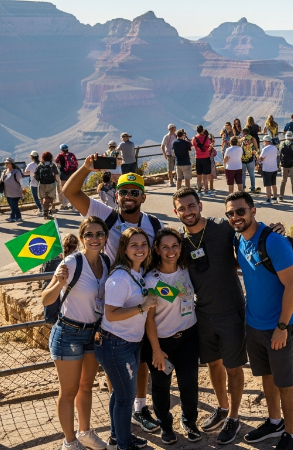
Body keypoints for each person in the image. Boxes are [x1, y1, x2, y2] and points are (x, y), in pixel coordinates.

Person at [64, 166, 164, 432]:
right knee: (116, 359)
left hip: (142, 296)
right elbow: (69, 192)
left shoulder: (154, 224)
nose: (128, 196)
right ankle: (121, 408)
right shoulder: (104, 215)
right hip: (114, 297)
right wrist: (87, 167)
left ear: (143, 196)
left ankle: (139, 407)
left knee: (140, 356)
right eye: (123, 192)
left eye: (134, 192)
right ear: (115, 195)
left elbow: (168, 250)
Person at [172, 188, 254, 445]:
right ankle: (221, 407)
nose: (188, 212)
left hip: (231, 310)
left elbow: (249, 236)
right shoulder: (179, 242)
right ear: (176, 212)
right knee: (213, 364)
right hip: (202, 313)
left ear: (200, 205)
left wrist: (272, 229)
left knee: (233, 367)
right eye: (182, 208)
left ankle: (234, 416)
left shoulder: (222, 228)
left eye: (191, 206)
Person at [225, 192, 293, 450]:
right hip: (254, 324)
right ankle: (274, 421)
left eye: (240, 211)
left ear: (253, 210)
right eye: (231, 213)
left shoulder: (274, 242)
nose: (236, 217)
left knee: (286, 382)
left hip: (279, 325)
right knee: (267, 377)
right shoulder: (239, 241)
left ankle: (290, 435)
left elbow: (292, 285)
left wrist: (281, 327)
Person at [42, 217, 111, 450]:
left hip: (93, 333)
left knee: (86, 386)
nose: (95, 239)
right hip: (68, 333)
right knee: (69, 391)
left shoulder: (106, 261)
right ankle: (69, 442)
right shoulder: (72, 262)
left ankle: (85, 433)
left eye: (99, 234)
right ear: (81, 238)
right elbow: (46, 299)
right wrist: (59, 283)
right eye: (89, 234)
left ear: (105, 237)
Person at [96, 227, 157, 450]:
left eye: (143, 244)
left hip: (128, 342)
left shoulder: (136, 272)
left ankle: (116, 437)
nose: (140, 249)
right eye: (134, 245)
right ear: (124, 248)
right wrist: (142, 307)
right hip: (116, 343)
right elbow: (111, 314)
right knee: (124, 398)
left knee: (119, 395)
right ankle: (123, 444)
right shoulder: (120, 277)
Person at [143, 228, 201, 444]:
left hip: (188, 336)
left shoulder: (187, 269)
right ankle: (166, 426)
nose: (171, 251)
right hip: (162, 341)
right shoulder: (150, 280)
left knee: (189, 383)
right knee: (161, 386)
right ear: (156, 249)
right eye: (165, 247)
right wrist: (156, 350)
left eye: (175, 246)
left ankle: (190, 422)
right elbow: (149, 320)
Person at [35, 151, 59, 220]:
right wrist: (58, 182)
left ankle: (44, 210)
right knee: (50, 198)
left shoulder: (40, 165)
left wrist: (39, 180)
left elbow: (35, 175)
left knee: (43, 198)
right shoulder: (52, 165)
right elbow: (56, 175)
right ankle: (48, 211)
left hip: (41, 184)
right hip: (50, 184)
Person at [55, 144, 79, 210]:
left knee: (62, 190)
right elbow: (76, 164)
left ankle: (64, 204)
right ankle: (72, 203)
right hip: (72, 175)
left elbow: (58, 164)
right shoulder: (72, 155)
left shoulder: (59, 156)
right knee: (71, 189)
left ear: (61, 149)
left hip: (63, 175)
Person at [278, 132, 293, 203]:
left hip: (284, 164)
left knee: (283, 180)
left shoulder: (282, 144)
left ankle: (281, 196)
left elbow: (279, 153)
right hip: (292, 164)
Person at [192, 125, 213, 196]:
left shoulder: (194, 138)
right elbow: (208, 145)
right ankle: (206, 191)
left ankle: (199, 191)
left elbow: (193, 145)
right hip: (206, 157)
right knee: (205, 175)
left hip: (198, 157)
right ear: (202, 130)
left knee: (199, 175)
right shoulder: (206, 138)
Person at [259, 136, 279, 204]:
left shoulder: (265, 149)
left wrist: (258, 159)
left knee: (267, 185)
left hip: (267, 168)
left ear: (265, 141)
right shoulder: (275, 148)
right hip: (274, 168)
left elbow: (261, 158)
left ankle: (268, 199)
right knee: (273, 184)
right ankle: (275, 197)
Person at [2, 158, 23, 222]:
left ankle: (12, 217)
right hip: (7, 192)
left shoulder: (16, 172)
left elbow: (21, 182)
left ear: (12, 164)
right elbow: (1, 180)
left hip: (16, 192)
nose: (6, 164)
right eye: (5, 163)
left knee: (13, 205)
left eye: (8, 163)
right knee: (12, 205)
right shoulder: (5, 171)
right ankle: (18, 217)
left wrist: (23, 190)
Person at [240, 128, 259, 192]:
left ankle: (243, 187)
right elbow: (256, 148)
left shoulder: (241, 139)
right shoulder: (253, 138)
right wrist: (256, 156)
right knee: (251, 173)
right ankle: (253, 187)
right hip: (251, 159)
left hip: (243, 159)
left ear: (243, 133)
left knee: (243, 174)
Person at [25, 151, 43, 216]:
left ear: (32, 157)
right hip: (42, 183)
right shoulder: (42, 164)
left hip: (33, 183)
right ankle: (45, 208)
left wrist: (31, 173)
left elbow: (25, 172)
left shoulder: (30, 165)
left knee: (36, 197)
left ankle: (41, 209)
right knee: (42, 197)